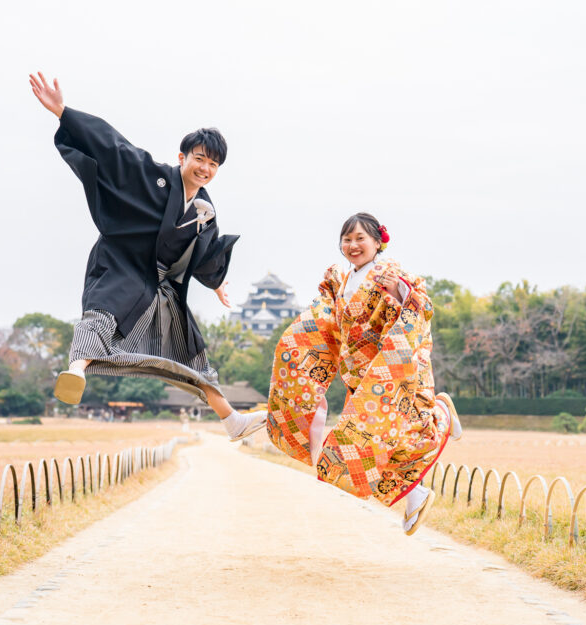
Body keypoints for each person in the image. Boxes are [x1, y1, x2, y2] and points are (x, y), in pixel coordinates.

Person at [29, 72, 266, 442]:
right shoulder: (152, 176)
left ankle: (232, 420)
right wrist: (64, 113)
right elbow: (114, 148)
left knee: (190, 349)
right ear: (182, 157)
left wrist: (216, 283)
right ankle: (76, 368)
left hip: (158, 284)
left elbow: (206, 250)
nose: (205, 169)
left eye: (213, 165)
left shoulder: (204, 207)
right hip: (122, 262)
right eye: (200, 159)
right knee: (103, 315)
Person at [265, 212, 461, 536]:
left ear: (377, 242)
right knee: (378, 447)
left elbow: (421, 306)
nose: (353, 245)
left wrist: (398, 290)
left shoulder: (387, 272)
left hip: (388, 373)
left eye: (360, 238)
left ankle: (439, 419)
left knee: (376, 443)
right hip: (361, 380)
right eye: (347, 239)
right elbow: (328, 323)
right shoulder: (343, 282)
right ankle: (416, 493)